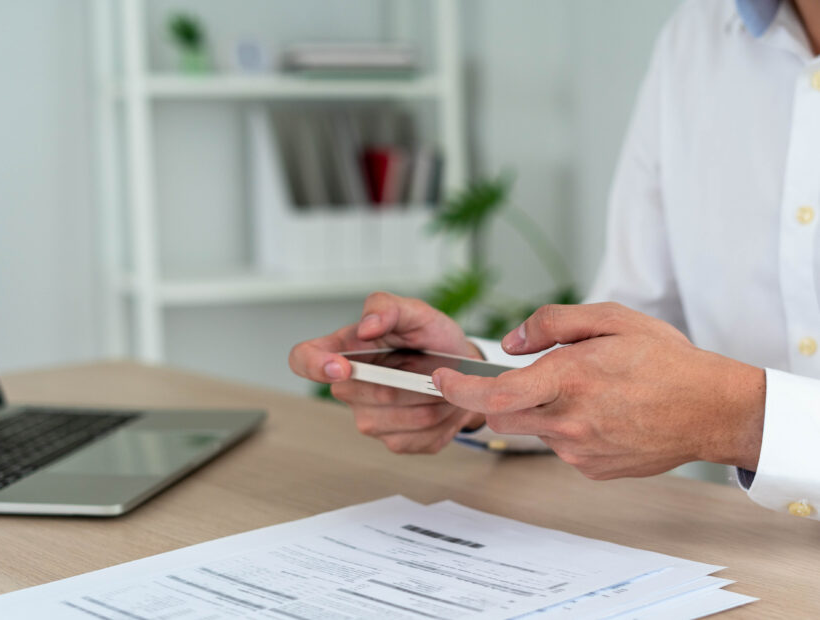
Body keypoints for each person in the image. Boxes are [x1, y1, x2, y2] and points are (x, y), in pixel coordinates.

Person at [289, 0, 820, 521]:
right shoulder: (698, 35)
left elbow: (716, 405)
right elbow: (631, 334)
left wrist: (744, 420)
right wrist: (482, 386)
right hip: (755, 562)